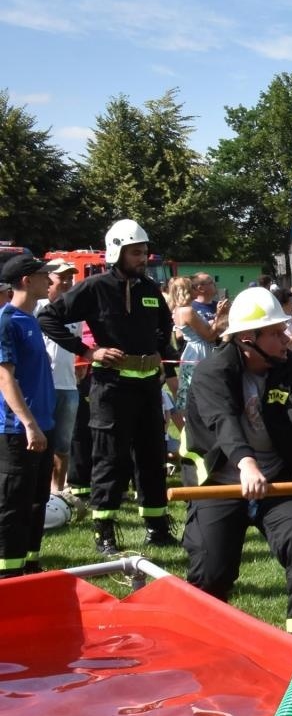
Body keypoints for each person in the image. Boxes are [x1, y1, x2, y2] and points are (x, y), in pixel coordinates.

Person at [181, 286, 292, 640]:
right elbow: (222, 420)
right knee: (211, 571)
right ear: (246, 339)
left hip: (276, 480)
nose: (285, 338)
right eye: (275, 332)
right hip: (221, 481)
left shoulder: (289, 367)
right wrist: (245, 463)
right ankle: (203, 638)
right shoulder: (212, 372)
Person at [38, 219, 179, 554]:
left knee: (152, 457)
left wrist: (167, 369)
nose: (142, 258)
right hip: (111, 388)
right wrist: (88, 351)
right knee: (110, 460)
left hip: (147, 388)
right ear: (117, 251)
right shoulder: (95, 288)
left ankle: (157, 527)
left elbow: (165, 330)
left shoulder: (149, 290)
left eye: (144, 251)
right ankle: (105, 533)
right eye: (135, 252)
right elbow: (49, 318)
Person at [0, 253, 56, 577]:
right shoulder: (6, 321)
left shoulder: (32, 319)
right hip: (17, 431)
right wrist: (29, 424)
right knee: (13, 506)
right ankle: (8, 575)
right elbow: (5, 377)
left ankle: (31, 567)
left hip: (42, 427)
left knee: (37, 503)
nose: (48, 280)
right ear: (26, 281)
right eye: (42, 275)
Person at [36, 259, 81, 498]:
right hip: (42, 387)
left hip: (68, 386)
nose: (66, 283)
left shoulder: (75, 312)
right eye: (60, 278)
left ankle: (58, 492)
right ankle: (37, 489)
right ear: (47, 281)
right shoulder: (37, 308)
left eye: (69, 278)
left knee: (63, 445)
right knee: (38, 442)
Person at [169, 274, 229, 418]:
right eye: (193, 287)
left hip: (195, 350)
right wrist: (220, 315)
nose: (196, 289)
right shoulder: (188, 311)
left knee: (190, 390)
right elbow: (209, 336)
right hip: (199, 352)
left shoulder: (180, 310)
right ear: (187, 291)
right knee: (199, 389)